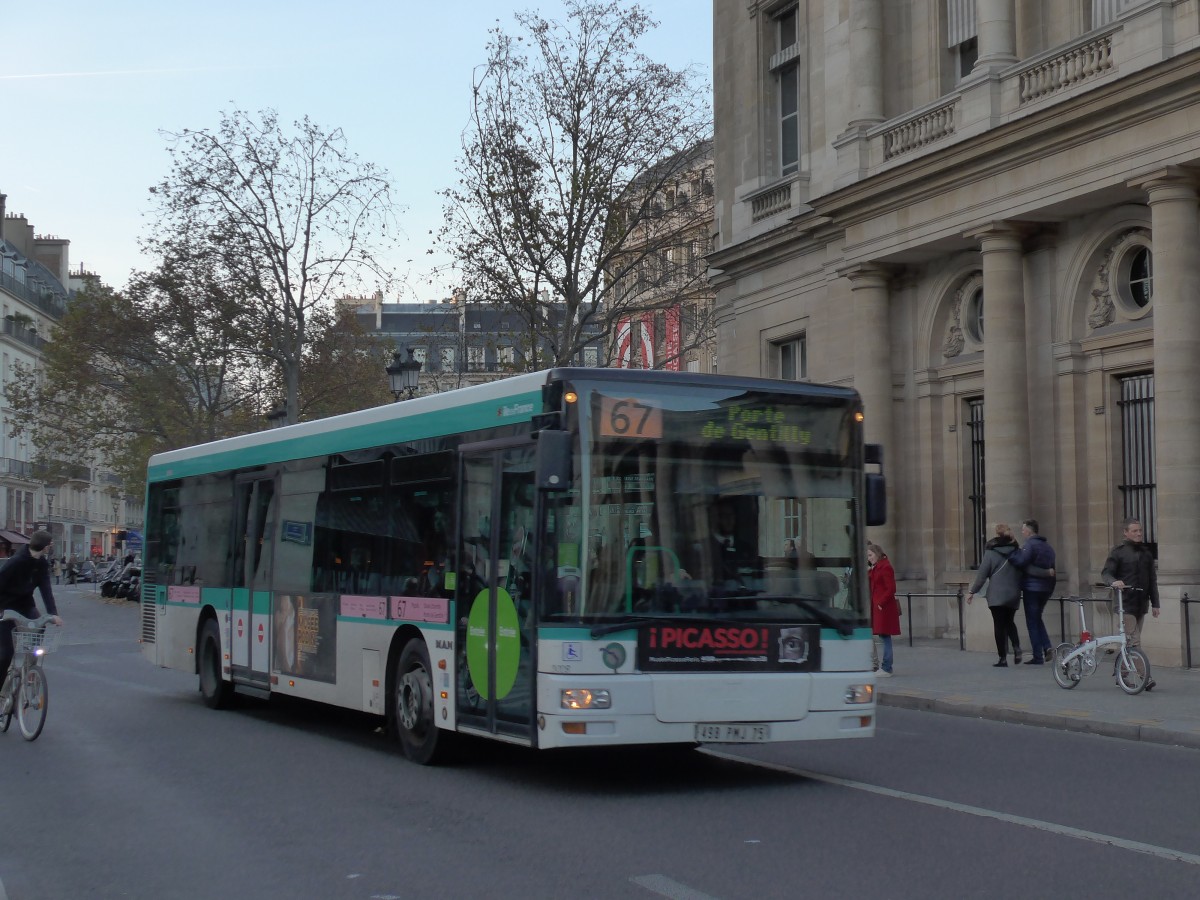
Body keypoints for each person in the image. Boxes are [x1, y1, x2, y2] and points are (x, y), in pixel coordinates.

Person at [0, 531, 64, 706]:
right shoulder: (16, 562)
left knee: (40, 622)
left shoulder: (41, 563)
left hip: (25, 605)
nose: (51, 547)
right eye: (50, 545)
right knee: (6, 654)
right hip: (6, 607)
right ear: (45, 547)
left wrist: (53, 614)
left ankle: (30, 667)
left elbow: (46, 589)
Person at [1101, 516, 1159, 690]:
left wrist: (1156, 603)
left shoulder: (1146, 553)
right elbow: (1106, 573)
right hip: (1124, 603)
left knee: (1128, 642)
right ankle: (1144, 677)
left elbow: (1152, 580)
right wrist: (1114, 582)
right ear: (1126, 532)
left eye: (1140, 530)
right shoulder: (1118, 552)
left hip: (1141, 603)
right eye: (1134, 531)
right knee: (1134, 641)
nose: (1138, 533)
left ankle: (1122, 674)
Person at [965, 523, 1023, 667]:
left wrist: (972, 591)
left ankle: (1002, 658)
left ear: (997, 535)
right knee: (1010, 621)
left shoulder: (991, 552)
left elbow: (982, 575)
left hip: (996, 594)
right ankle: (1016, 647)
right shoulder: (1017, 551)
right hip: (1013, 592)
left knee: (999, 625)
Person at [1010, 519, 1057, 664]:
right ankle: (1047, 646)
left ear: (1029, 531)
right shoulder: (1048, 547)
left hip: (1032, 588)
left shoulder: (1029, 545)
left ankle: (1038, 655)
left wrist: (1012, 554)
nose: (1022, 532)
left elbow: (1021, 562)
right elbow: (1052, 570)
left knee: (1032, 621)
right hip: (1046, 588)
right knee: (1037, 618)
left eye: (1023, 530)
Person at [867, 543, 900, 676]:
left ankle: (887, 667)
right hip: (879, 606)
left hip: (884, 607)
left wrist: (880, 602)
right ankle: (886, 666)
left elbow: (891, 588)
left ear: (877, 554)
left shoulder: (885, 567)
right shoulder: (878, 567)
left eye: (870, 555)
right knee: (883, 636)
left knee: (885, 637)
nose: (869, 558)